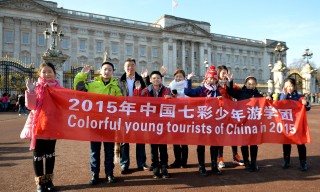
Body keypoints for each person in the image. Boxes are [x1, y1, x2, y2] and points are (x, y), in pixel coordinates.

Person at [74, 62, 122, 185]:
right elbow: (78, 89)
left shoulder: (116, 87)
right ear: (100, 70)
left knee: (109, 150)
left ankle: (109, 173)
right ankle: (94, 174)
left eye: (109, 70)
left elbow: (121, 104)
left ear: (112, 72)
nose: (107, 71)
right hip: (94, 122)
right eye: (105, 69)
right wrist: (81, 75)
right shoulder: (91, 85)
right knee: (94, 151)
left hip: (109, 123)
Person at [24, 62, 61, 192]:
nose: (47, 74)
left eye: (49, 71)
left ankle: (49, 180)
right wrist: (30, 91)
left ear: (54, 73)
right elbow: (31, 106)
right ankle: (40, 182)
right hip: (38, 125)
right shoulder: (36, 87)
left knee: (50, 154)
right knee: (38, 155)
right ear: (40, 73)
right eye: (44, 72)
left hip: (52, 125)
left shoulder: (59, 89)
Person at [184, 66, 222, 176]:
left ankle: (214, 165)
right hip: (201, 121)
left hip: (214, 121)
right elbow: (188, 92)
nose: (211, 80)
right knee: (201, 144)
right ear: (206, 78)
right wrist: (189, 79)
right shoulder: (201, 89)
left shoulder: (217, 91)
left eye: (214, 79)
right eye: (210, 78)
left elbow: (222, 104)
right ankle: (201, 166)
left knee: (214, 144)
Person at [134, 71, 171, 179]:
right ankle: (155, 166)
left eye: (158, 78)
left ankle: (164, 166)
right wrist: (137, 90)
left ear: (161, 79)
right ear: (150, 80)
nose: (156, 80)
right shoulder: (145, 90)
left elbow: (172, 102)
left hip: (163, 122)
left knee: (163, 146)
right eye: (154, 78)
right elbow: (138, 102)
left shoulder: (166, 90)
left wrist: (171, 98)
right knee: (153, 147)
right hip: (151, 123)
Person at [118, 58, 150, 174]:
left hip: (138, 113)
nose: (130, 67)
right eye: (128, 65)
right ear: (124, 67)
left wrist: (146, 79)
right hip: (124, 113)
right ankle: (124, 164)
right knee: (124, 140)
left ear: (135, 67)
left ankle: (141, 163)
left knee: (140, 139)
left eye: (132, 65)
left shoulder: (141, 79)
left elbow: (148, 91)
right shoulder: (120, 81)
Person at [226, 75, 264, 172]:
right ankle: (247, 162)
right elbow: (229, 91)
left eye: (253, 84)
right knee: (244, 143)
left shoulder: (259, 96)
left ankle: (254, 162)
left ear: (256, 85)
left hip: (254, 123)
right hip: (243, 122)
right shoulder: (240, 93)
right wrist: (230, 81)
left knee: (254, 143)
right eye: (249, 84)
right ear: (245, 84)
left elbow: (266, 105)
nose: (251, 85)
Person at [278, 77, 311, 171]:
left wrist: (306, 103)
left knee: (300, 143)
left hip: (297, 124)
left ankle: (303, 161)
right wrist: (284, 95)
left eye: (291, 86)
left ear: (294, 86)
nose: (289, 88)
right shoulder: (281, 95)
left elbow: (307, 107)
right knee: (286, 143)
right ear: (284, 86)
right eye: (287, 86)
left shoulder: (299, 96)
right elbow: (280, 104)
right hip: (287, 124)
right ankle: (286, 160)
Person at [216, 65, 244, 168]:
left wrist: (230, 82)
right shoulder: (215, 86)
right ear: (218, 74)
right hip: (220, 114)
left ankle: (235, 156)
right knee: (220, 136)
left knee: (233, 135)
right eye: (223, 73)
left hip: (231, 113)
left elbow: (238, 92)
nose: (224, 75)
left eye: (226, 73)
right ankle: (220, 158)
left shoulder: (231, 85)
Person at [167, 69, 189, 168]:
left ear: (184, 78)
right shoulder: (171, 86)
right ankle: (177, 160)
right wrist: (172, 96)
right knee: (175, 140)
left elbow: (190, 97)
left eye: (180, 76)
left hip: (184, 116)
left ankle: (184, 162)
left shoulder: (187, 87)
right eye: (176, 76)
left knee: (184, 141)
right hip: (174, 116)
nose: (178, 78)